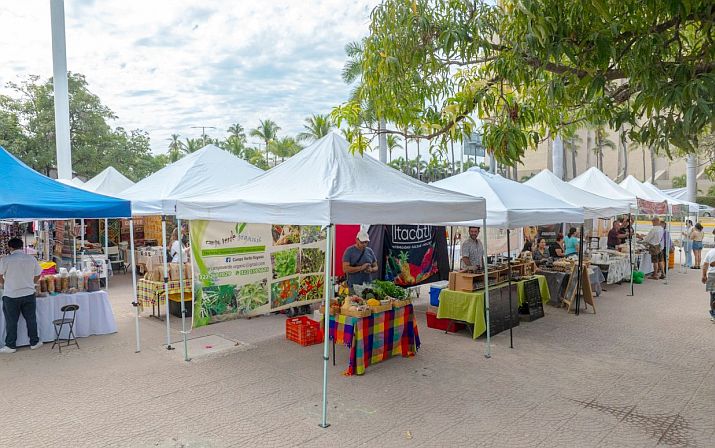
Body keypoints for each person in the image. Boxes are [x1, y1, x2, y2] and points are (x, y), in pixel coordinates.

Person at [0, 238, 43, 353]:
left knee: (11, 321)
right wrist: (32, 283)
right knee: (31, 319)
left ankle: (10, 345)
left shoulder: (6, 259)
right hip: (28, 293)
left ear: (10, 247)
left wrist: (4, 284)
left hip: (11, 295)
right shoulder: (31, 258)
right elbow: (38, 274)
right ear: (21, 246)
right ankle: (34, 342)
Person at [700, 247, 715, 322]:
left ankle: (714, 314)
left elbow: (705, 265)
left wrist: (704, 275)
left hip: (712, 275)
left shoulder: (710, 252)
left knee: (712, 295)